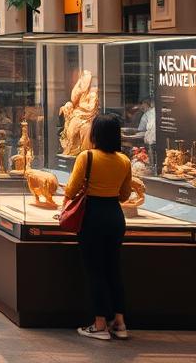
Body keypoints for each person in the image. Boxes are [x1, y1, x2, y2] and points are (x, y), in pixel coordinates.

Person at [65, 113, 133, 341]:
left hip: (92, 215)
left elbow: (70, 190)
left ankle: (100, 324)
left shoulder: (87, 157)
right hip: (115, 216)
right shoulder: (124, 160)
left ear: (95, 134)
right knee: (114, 269)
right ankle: (120, 323)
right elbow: (124, 194)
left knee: (95, 271)